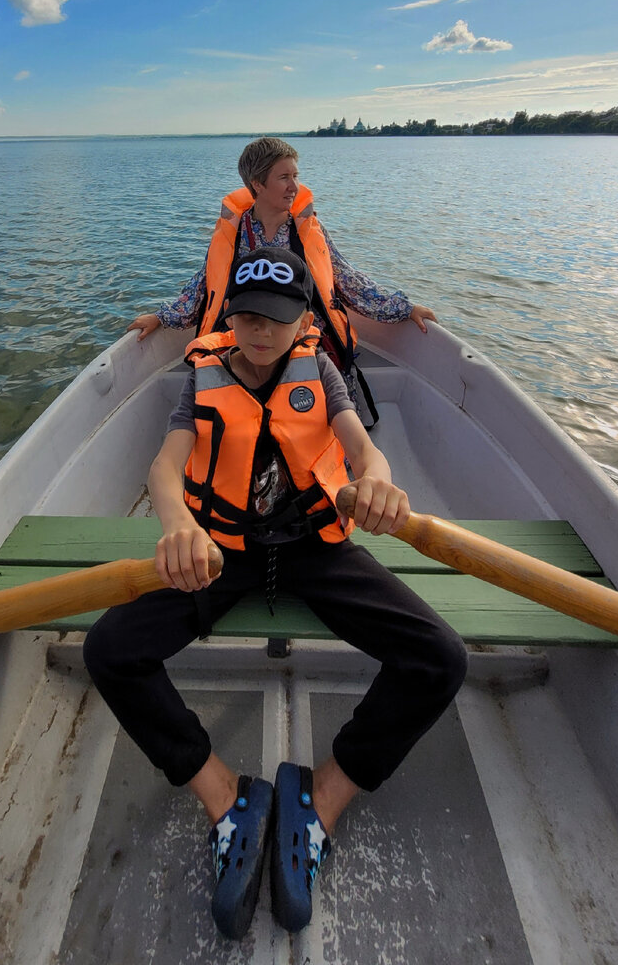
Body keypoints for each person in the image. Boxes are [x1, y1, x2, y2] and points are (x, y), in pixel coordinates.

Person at [85, 247, 467, 940]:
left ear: (301, 321)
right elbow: (167, 467)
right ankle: (224, 797)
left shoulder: (319, 367)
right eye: (250, 316)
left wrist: (378, 478)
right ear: (229, 315)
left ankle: (321, 796)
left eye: (279, 318)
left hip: (314, 550)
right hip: (219, 553)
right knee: (110, 650)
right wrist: (175, 525)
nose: (263, 332)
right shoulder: (200, 377)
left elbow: (361, 447)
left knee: (439, 658)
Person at [127, 136, 438, 424]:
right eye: (284, 177)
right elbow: (203, 284)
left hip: (297, 330)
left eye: (296, 176)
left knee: (328, 384)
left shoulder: (305, 231)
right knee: (216, 386)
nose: (295, 186)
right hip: (245, 332)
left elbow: (345, 278)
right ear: (257, 184)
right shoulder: (233, 234)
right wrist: (162, 317)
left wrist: (403, 308)